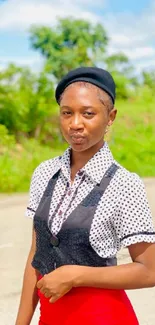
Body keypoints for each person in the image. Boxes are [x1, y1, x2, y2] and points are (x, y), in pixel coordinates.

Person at [15, 67, 155, 325]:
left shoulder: (125, 184)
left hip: (103, 316)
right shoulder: (45, 173)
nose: (75, 123)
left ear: (110, 117)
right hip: (51, 318)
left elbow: (149, 271)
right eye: (67, 113)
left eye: (88, 113)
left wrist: (76, 275)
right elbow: (37, 254)